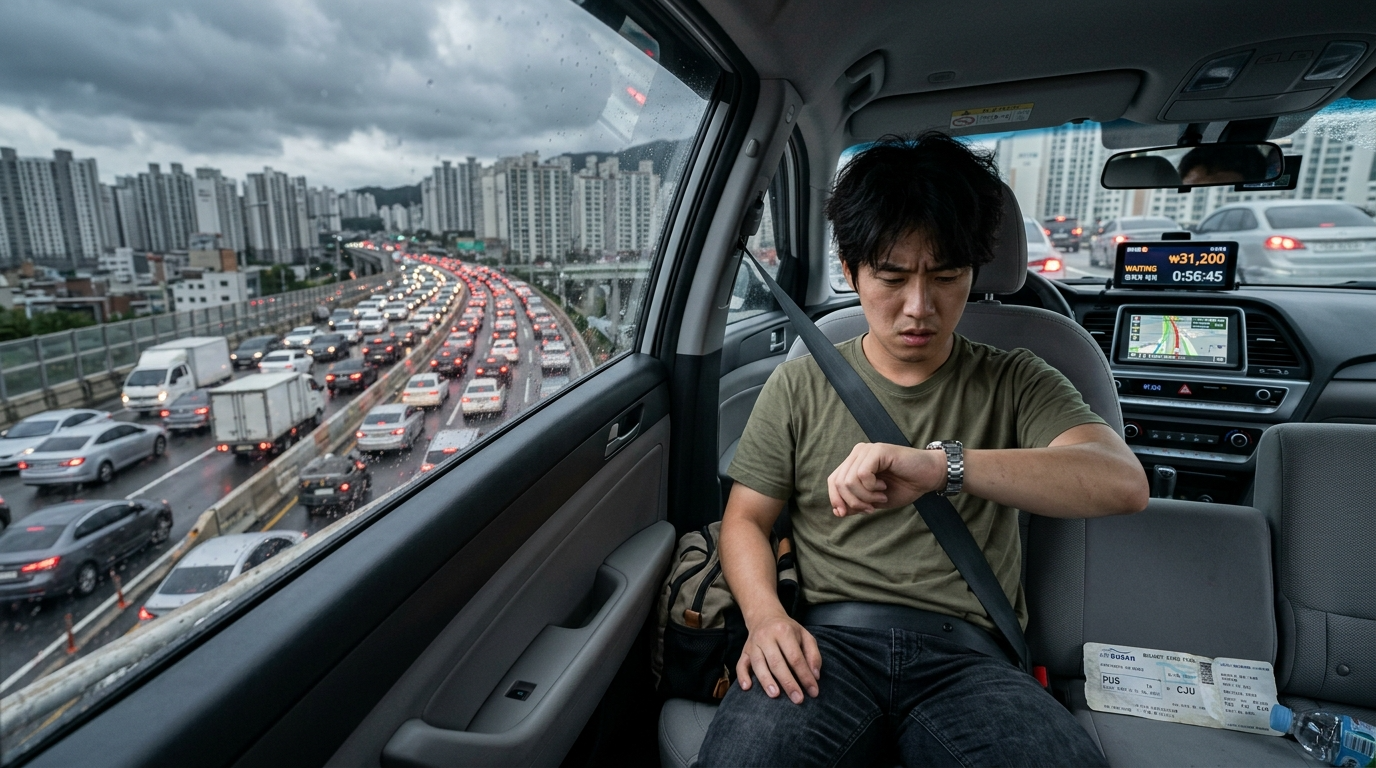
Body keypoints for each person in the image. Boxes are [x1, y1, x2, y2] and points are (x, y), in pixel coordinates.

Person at [697, 132, 1150, 767]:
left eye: (946, 276)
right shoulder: (801, 381)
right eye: (891, 276)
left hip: (969, 659)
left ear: (973, 272)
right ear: (852, 271)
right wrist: (767, 617)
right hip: (826, 643)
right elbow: (746, 518)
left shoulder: (1020, 378)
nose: (919, 307)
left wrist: (944, 466)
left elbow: (1121, 483)